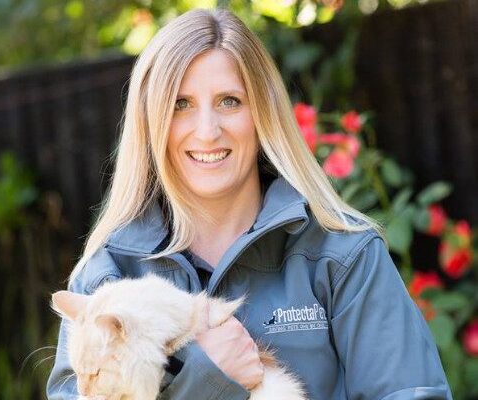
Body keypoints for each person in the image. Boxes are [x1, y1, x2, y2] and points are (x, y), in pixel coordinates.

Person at [47, 7, 453, 400]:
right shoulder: (106, 280)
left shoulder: (343, 256)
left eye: (229, 101)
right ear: (151, 122)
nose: (207, 131)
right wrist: (208, 379)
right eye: (180, 104)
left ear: (263, 115)